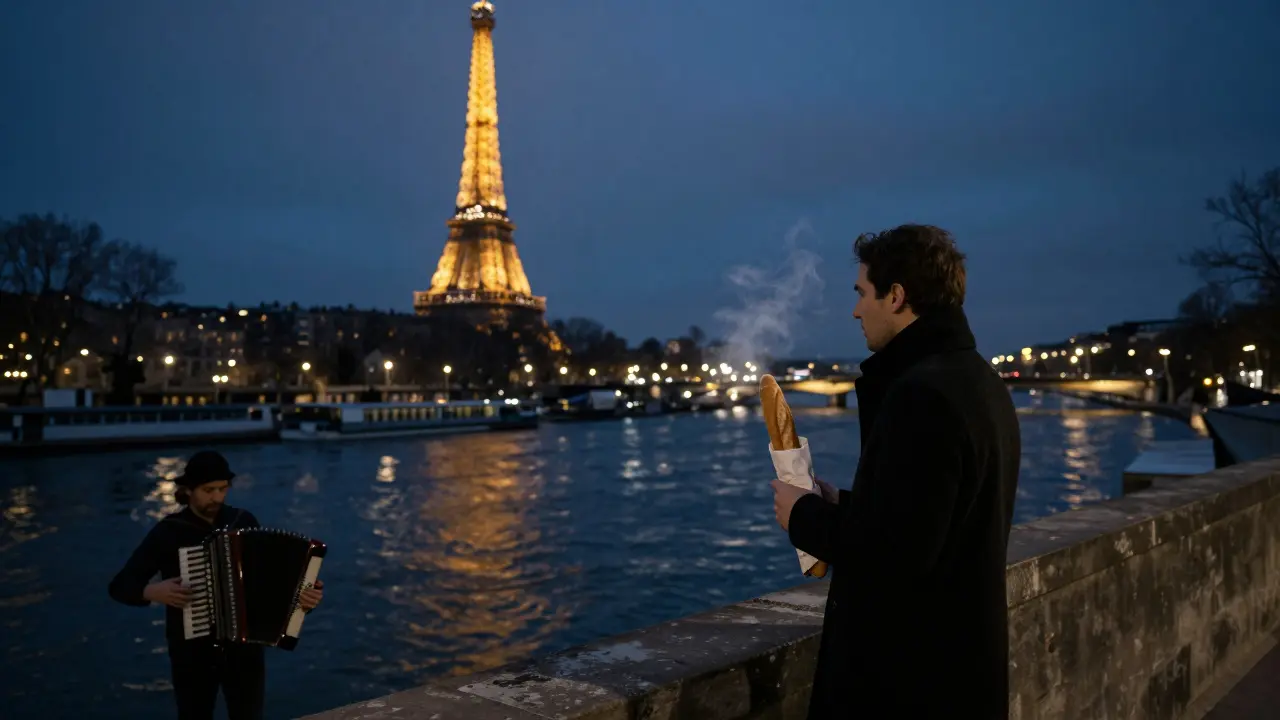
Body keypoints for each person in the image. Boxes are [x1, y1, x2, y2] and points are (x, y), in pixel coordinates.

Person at [770, 224, 1021, 718]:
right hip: (960, 672)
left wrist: (803, 516)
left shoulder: (921, 396)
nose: (856, 309)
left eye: (863, 293)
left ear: (898, 296)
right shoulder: (978, 381)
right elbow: (934, 518)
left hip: (910, 683)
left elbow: (896, 556)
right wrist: (847, 505)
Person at [109, 450, 324, 720]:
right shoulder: (169, 531)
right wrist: (152, 591)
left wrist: (304, 601)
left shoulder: (243, 522)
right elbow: (119, 586)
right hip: (192, 654)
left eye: (223, 489)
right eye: (208, 490)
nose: (217, 497)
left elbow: (270, 583)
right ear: (188, 490)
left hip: (244, 651)